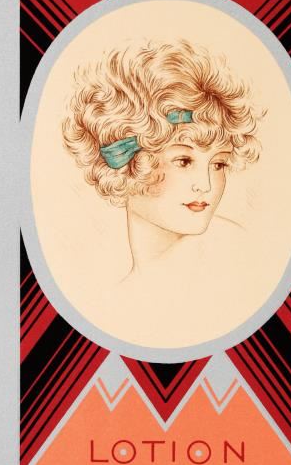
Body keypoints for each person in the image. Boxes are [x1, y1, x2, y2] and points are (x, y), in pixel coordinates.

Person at [62, 40, 264, 283]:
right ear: (127, 162)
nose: (206, 185)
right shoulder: (124, 289)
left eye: (218, 164)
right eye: (184, 161)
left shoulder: (234, 258)